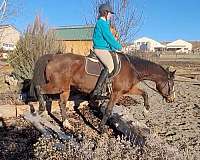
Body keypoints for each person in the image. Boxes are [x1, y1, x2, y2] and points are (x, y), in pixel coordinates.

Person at [91, 3, 122, 99]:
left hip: (104, 48)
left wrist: (113, 49)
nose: (111, 15)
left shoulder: (105, 23)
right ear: (105, 13)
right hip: (100, 48)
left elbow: (107, 41)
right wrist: (119, 47)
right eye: (110, 13)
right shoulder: (102, 23)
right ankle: (97, 90)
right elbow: (109, 38)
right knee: (110, 66)